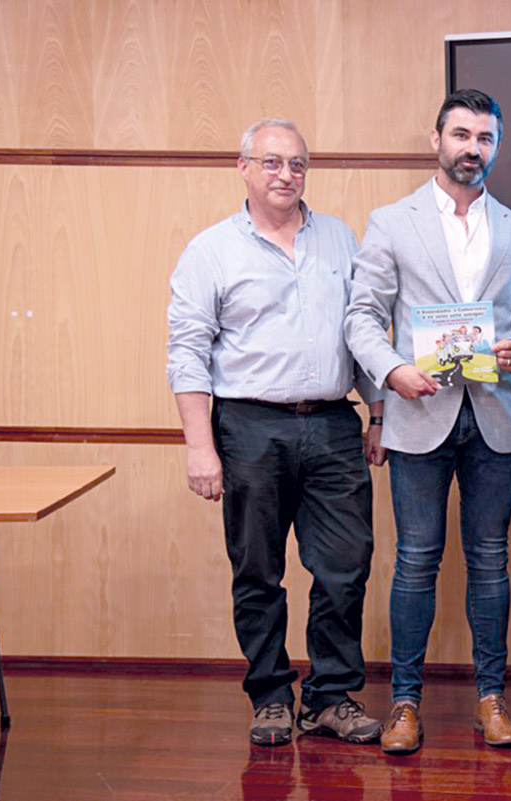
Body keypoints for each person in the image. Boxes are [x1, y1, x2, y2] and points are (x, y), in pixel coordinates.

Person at [167, 118, 385, 748]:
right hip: (249, 426)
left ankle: (330, 698)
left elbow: (362, 329)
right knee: (257, 570)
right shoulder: (210, 250)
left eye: (296, 164)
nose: (286, 175)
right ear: (243, 168)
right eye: (271, 162)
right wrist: (200, 446)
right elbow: (187, 351)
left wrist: (377, 413)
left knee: (345, 566)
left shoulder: (340, 238)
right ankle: (269, 697)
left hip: (334, 423)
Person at [344, 89, 511, 755]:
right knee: (416, 560)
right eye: (461, 135)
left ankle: (491, 698)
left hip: (495, 416)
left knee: (490, 559)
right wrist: (391, 371)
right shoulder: (390, 222)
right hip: (417, 413)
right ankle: (405, 702)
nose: (472, 149)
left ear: (496, 146)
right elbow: (362, 317)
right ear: (437, 140)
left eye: (485, 138)